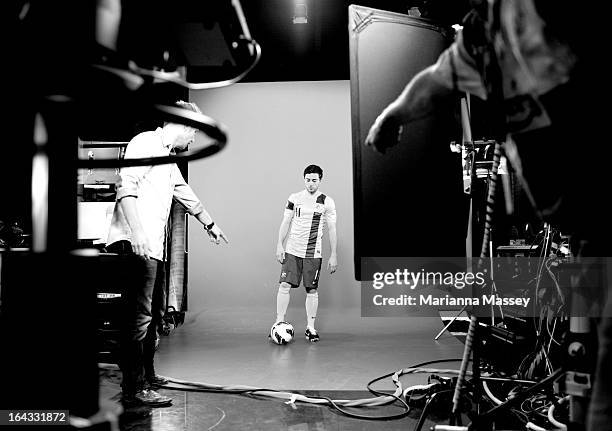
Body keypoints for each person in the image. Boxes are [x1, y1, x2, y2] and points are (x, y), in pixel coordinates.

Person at [364, 1, 609, 429]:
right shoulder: (487, 31)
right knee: (587, 362)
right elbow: (438, 80)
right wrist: (393, 116)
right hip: (587, 234)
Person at [106, 100, 228, 407]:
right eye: (193, 135)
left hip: (153, 247)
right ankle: (134, 388)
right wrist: (137, 233)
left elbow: (185, 193)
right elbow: (125, 187)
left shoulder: (167, 158)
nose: (192, 142)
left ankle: (148, 376)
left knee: (155, 314)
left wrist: (209, 223)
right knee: (139, 317)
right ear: (185, 126)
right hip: (136, 244)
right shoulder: (145, 143)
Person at [273, 165, 337, 342]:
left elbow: (332, 229)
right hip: (292, 250)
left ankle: (311, 328)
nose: (310, 184)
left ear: (320, 180)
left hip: (312, 253)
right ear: (304, 179)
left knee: (312, 289)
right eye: (308, 180)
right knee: (284, 286)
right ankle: (279, 323)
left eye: (314, 180)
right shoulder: (294, 198)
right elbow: (285, 222)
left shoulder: (327, 201)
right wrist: (279, 244)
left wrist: (334, 254)